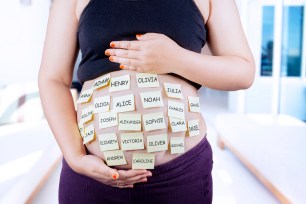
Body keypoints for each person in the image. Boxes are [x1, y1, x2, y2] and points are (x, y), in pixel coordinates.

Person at [38, 0, 255, 203]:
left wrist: (177, 59)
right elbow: (53, 78)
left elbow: (243, 70)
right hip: (91, 177)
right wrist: (75, 157)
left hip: (181, 176)